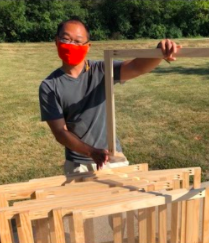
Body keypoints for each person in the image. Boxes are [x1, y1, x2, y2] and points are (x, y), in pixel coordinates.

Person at [39, 17, 180, 175]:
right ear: (57, 41)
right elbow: (60, 133)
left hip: (113, 158)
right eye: (66, 39)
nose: (71, 45)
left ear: (88, 46)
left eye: (78, 41)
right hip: (79, 164)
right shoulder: (50, 86)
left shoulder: (102, 69)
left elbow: (136, 67)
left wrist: (158, 52)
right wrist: (91, 152)